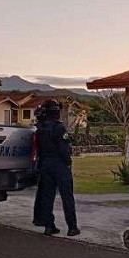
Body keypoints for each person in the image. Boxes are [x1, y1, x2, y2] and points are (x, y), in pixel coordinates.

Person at [34, 99, 80, 237]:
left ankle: (49, 226)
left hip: (46, 164)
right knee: (67, 196)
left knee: (47, 196)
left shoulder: (40, 128)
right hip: (59, 164)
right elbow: (64, 149)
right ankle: (72, 227)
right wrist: (68, 162)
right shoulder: (59, 128)